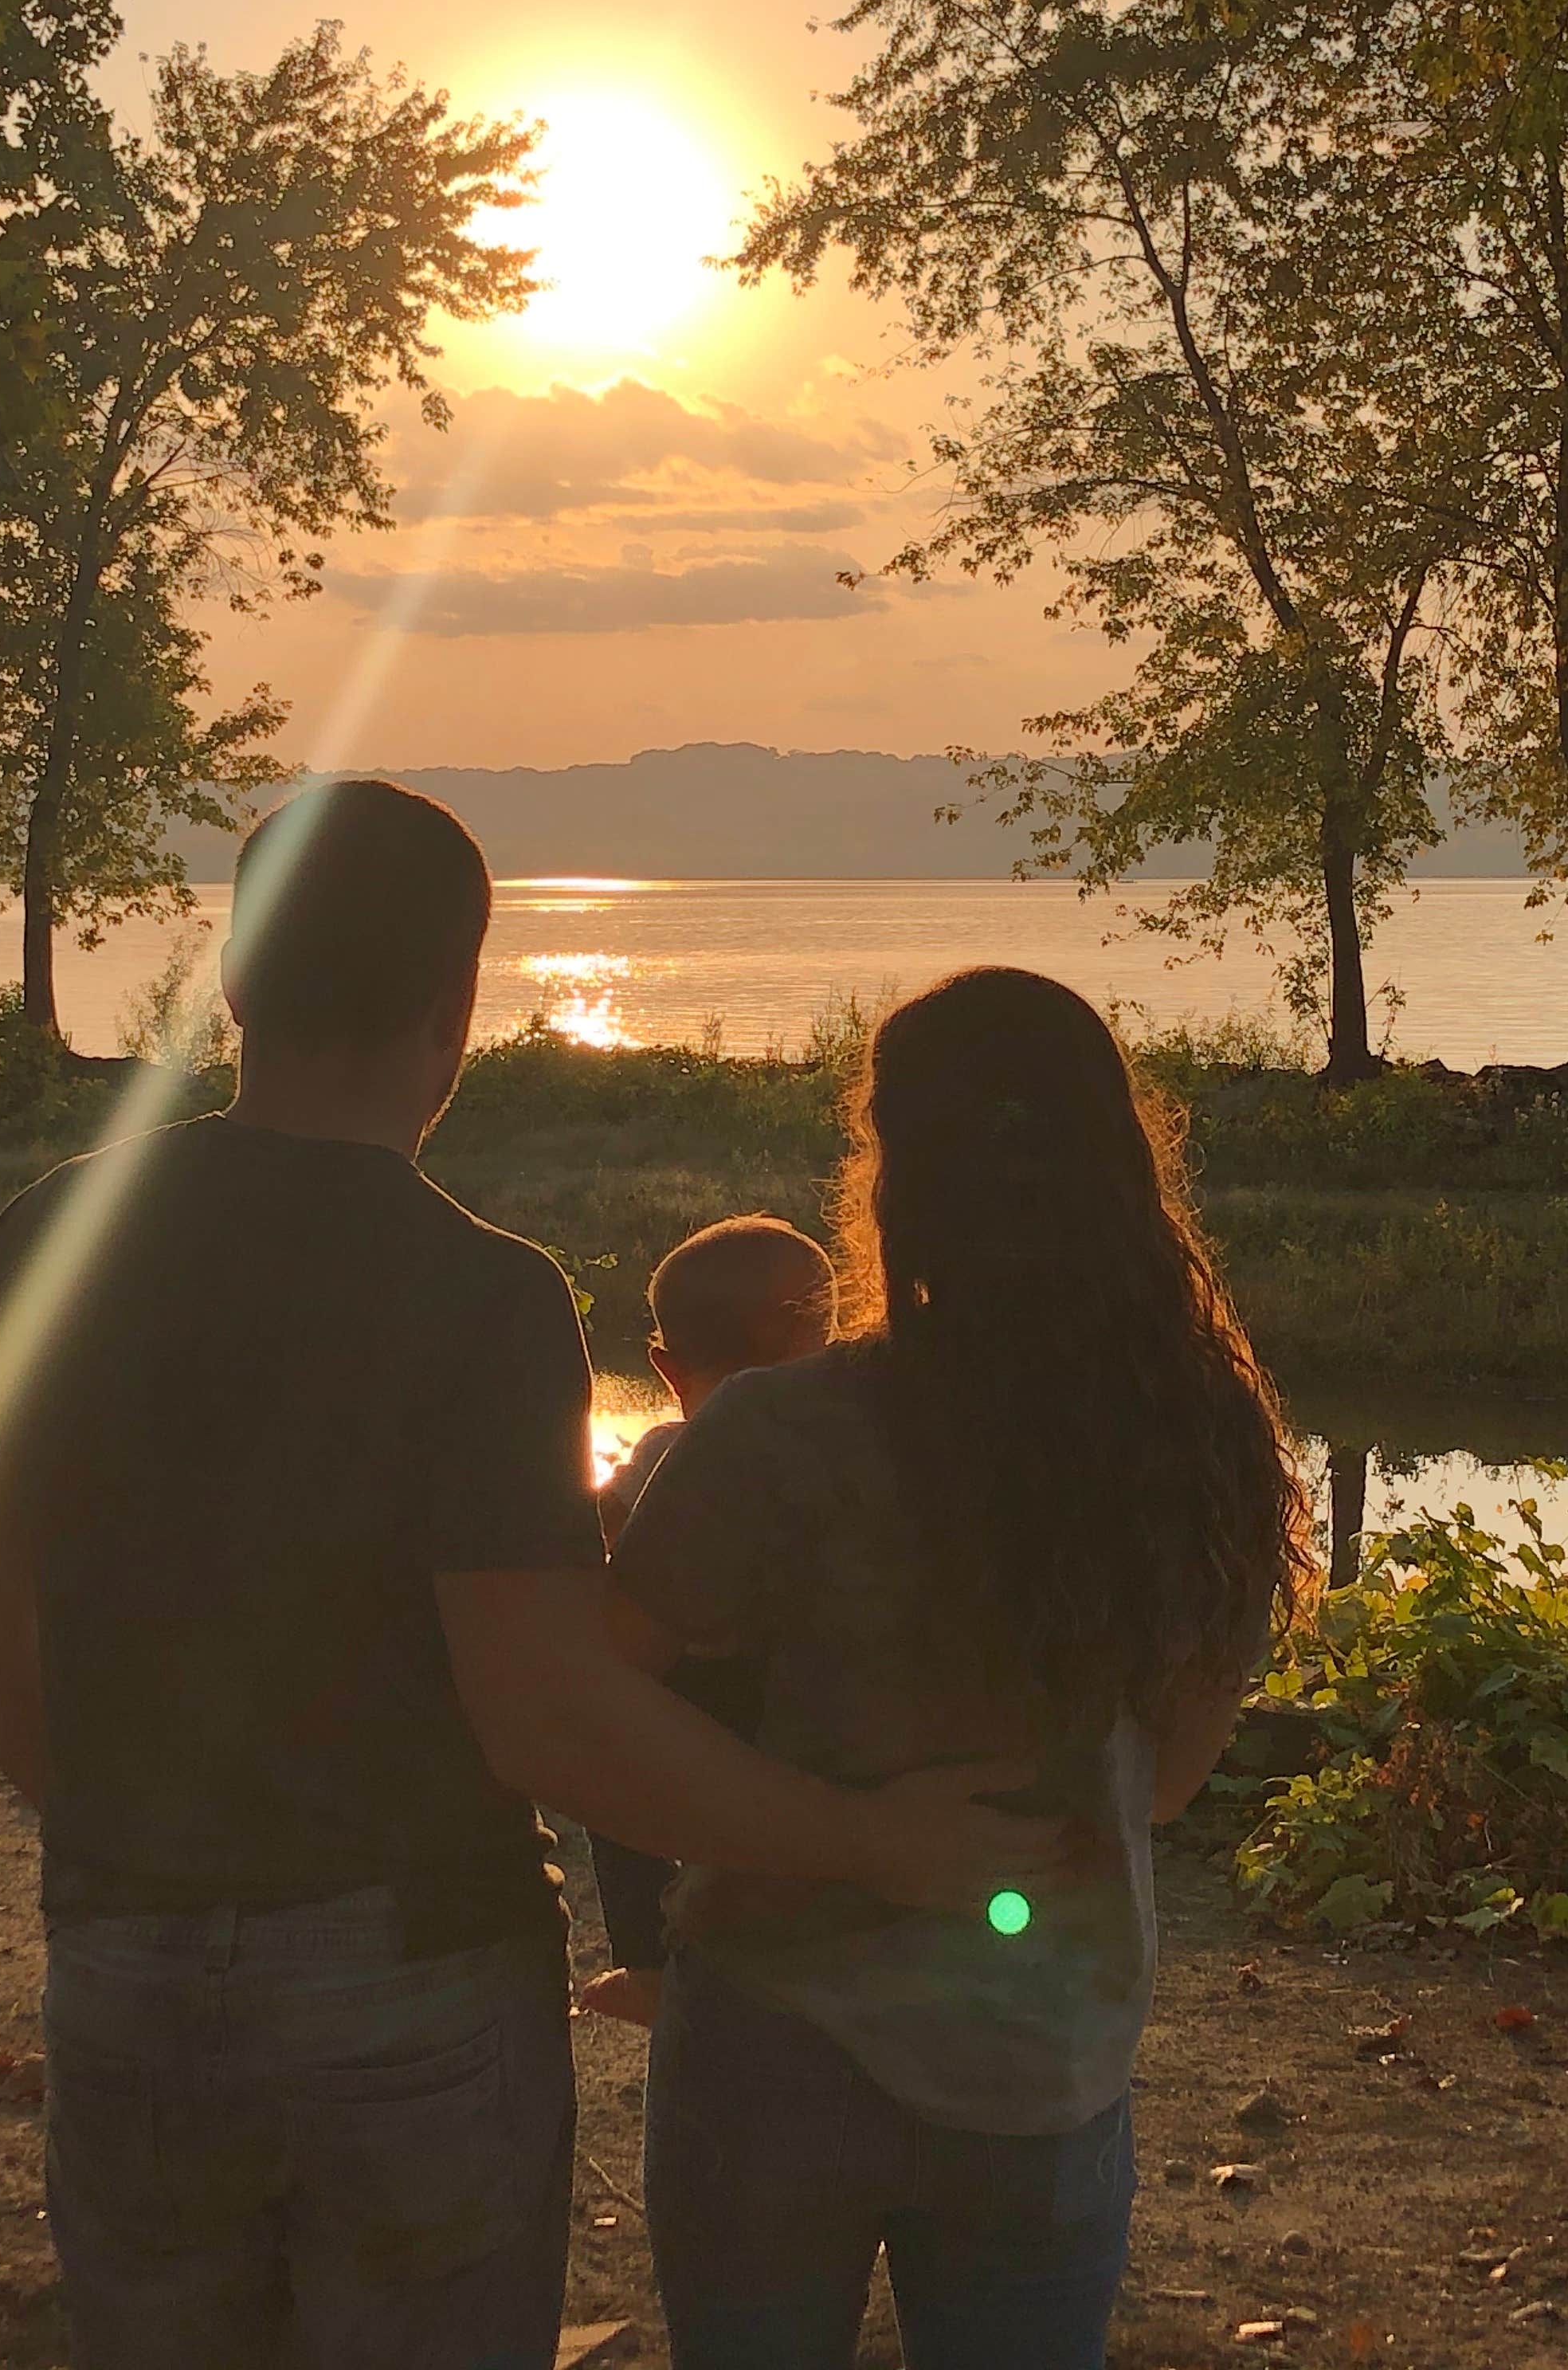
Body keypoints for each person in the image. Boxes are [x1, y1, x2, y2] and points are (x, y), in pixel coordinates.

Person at [0, 783, 1068, 2370]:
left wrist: (113, 1825)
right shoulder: (480, 1295)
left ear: (237, 982)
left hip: (122, 1958)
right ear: (456, 1002)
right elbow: (542, 1714)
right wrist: (868, 1839)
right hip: (408, 1985)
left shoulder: (40, 1235)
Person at [610, 965, 1316, 2370]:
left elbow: (601, 1707)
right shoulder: (1208, 1440)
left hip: (774, 2039)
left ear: (896, 1173)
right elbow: (1168, 1783)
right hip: (1040, 2055)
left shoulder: (774, 1431)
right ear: (1117, 1160)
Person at [579, 1214, 838, 2029]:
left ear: (665, 1365)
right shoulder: (845, 1438)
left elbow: (609, 1546)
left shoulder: (666, 1445)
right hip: (803, 1680)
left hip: (690, 1679)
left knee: (612, 1781)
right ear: (827, 1341)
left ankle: (650, 1962)